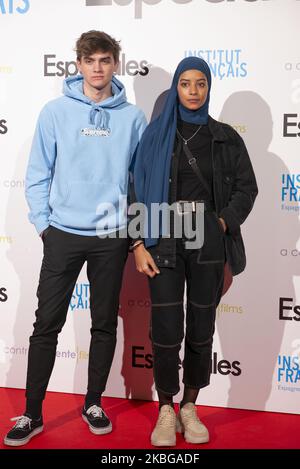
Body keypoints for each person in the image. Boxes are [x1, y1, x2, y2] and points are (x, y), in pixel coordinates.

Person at [4, 30, 147, 446]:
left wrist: (133, 236)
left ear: (115, 64)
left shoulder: (133, 118)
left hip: (111, 235)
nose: (98, 68)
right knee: (45, 324)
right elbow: (37, 175)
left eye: (105, 60)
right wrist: (45, 226)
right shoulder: (54, 112)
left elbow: (138, 182)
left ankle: (93, 402)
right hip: (62, 234)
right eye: (90, 61)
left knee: (103, 324)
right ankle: (32, 414)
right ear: (79, 65)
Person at [132, 56, 258, 446]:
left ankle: (190, 404)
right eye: (185, 83)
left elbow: (246, 188)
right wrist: (138, 243)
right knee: (167, 331)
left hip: (207, 238)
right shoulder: (156, 135)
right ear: (176, 88)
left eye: (199, 83)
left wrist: (221, 223)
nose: (192, 91)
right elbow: (135, 187)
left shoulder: (225, 137)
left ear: (208, 88)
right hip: (163, 237)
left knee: (201, 329)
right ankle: (166, 410)